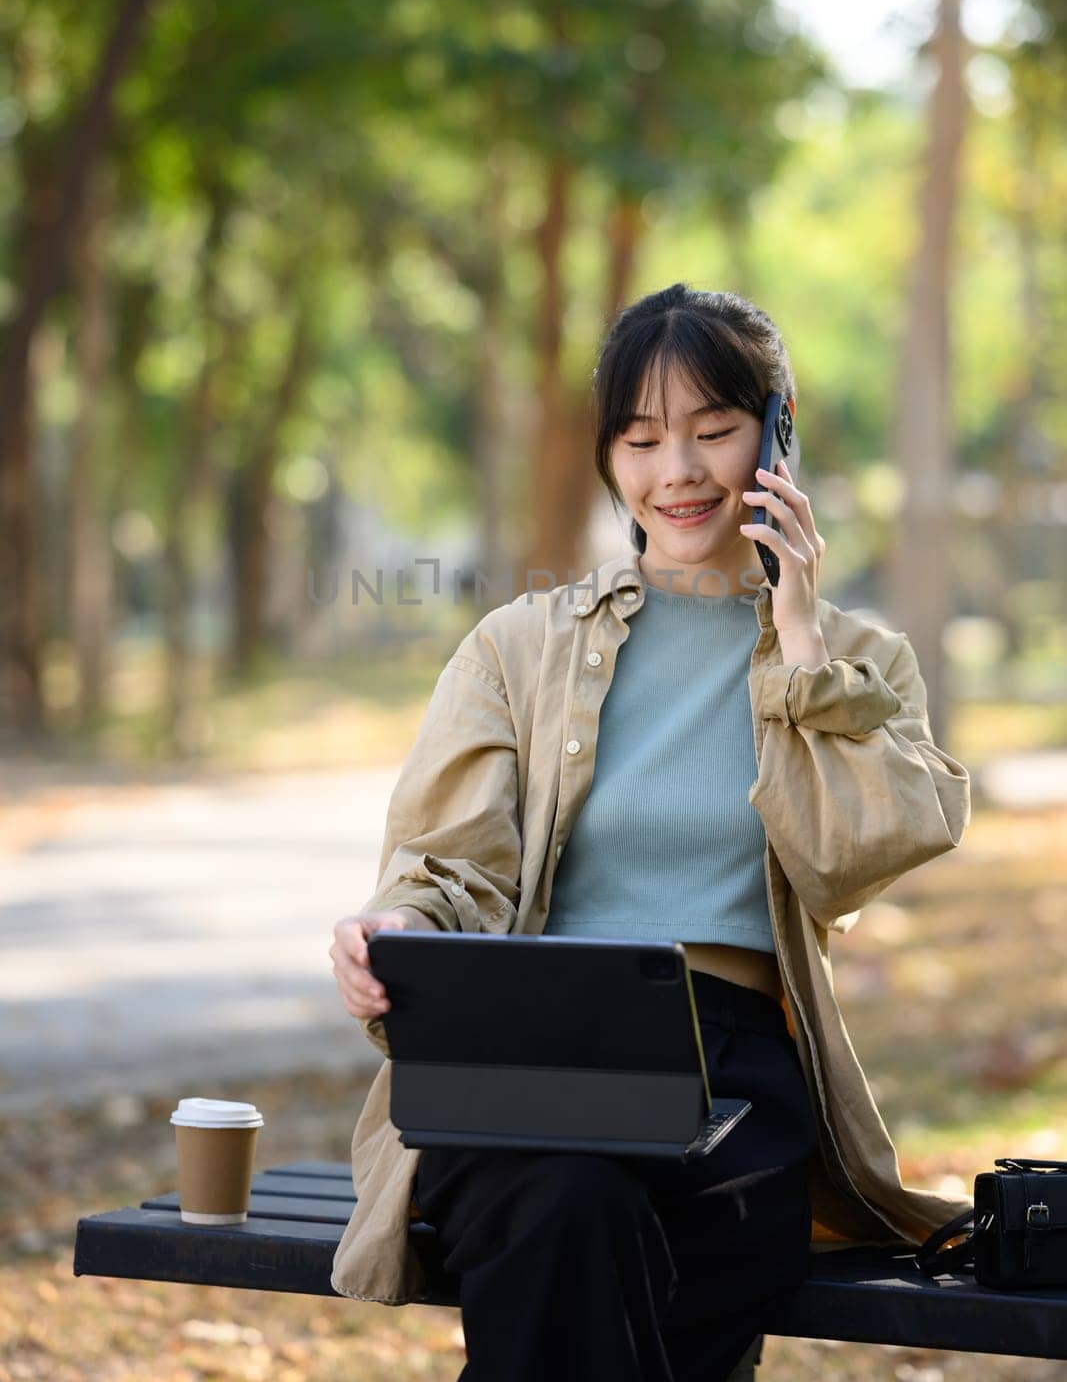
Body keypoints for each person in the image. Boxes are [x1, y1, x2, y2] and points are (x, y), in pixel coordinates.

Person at [329, 285, 973, 1381]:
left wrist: (802, 645)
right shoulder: (516, 646)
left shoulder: (858, 660)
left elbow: (859, 857)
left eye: (712, 430)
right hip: (528, 1057)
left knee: (613, 1222)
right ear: (607, 456)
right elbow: (449, 868)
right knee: (566, 1195)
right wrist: (398, 925)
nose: (674, 471)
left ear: (776, 434)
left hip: (732, 1074)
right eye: (638, 439)